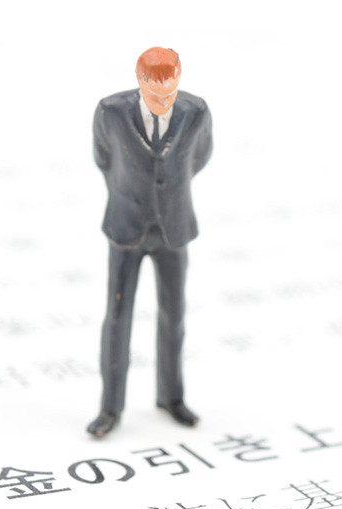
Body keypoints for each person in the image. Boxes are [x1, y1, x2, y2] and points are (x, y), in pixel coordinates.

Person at [87, 47, 213, 437]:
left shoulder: (195, 111)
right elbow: (103, 157)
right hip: (126, 226)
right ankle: (110, 408)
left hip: (174, 227)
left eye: (171, 92)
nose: (165, 101)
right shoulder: (110, 111)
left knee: (174, 315)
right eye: (157, 94)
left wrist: (169, 195)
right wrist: (129, 195)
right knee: (118, 316)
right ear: (140, 81)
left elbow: (200, 157)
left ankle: (171, 396)